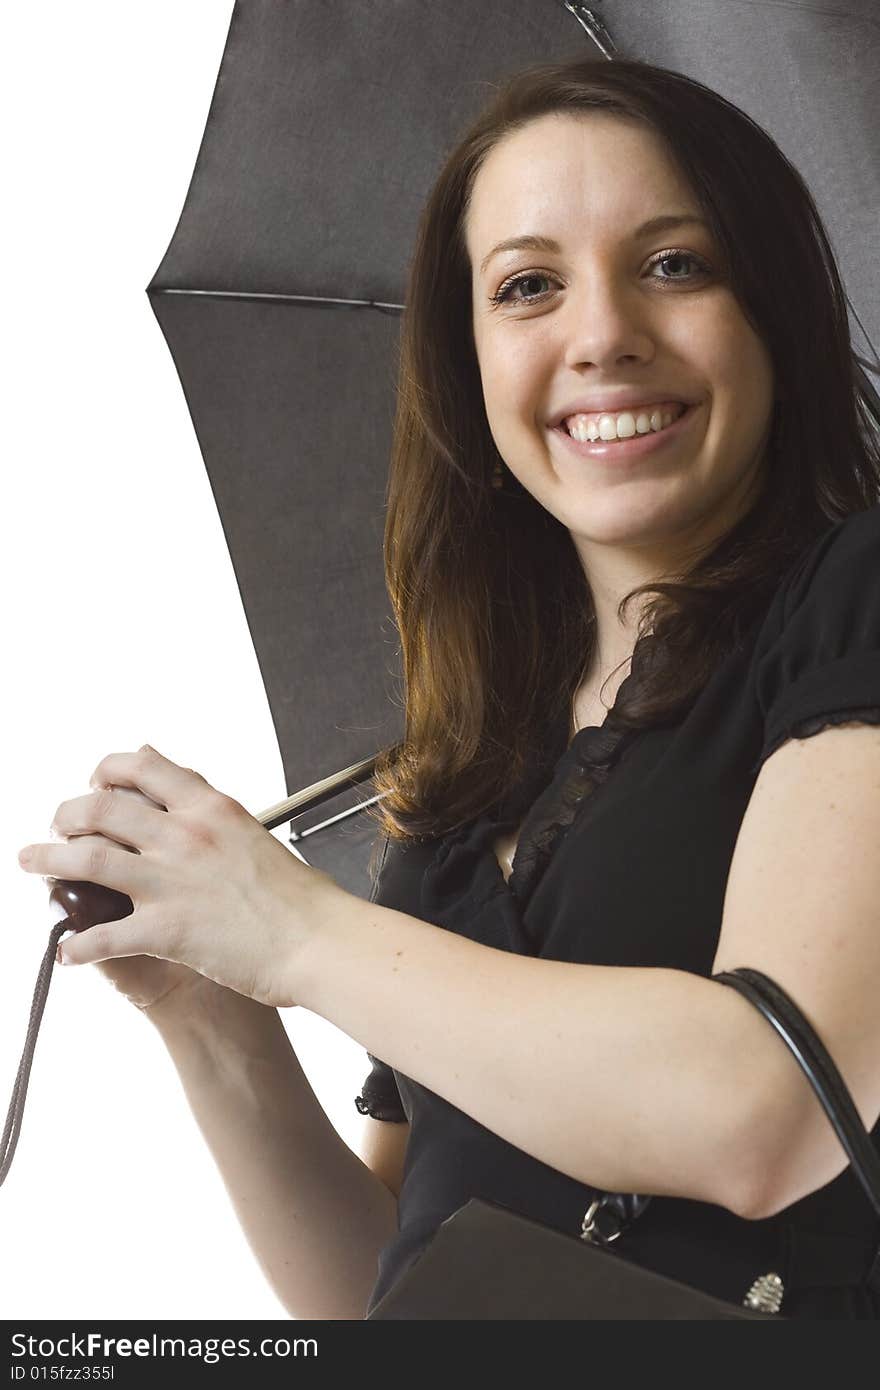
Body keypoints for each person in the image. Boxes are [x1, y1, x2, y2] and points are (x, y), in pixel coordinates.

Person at [18, 57, 880, 1321]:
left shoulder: (851, 596)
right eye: (528, 286)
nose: (602, 336)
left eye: (675, 263)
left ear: (776, 312)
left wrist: (295, 929)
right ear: (465, 363)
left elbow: (763, 1111)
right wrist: (218, 1016)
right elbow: (384, 1290)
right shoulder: (468, 781)